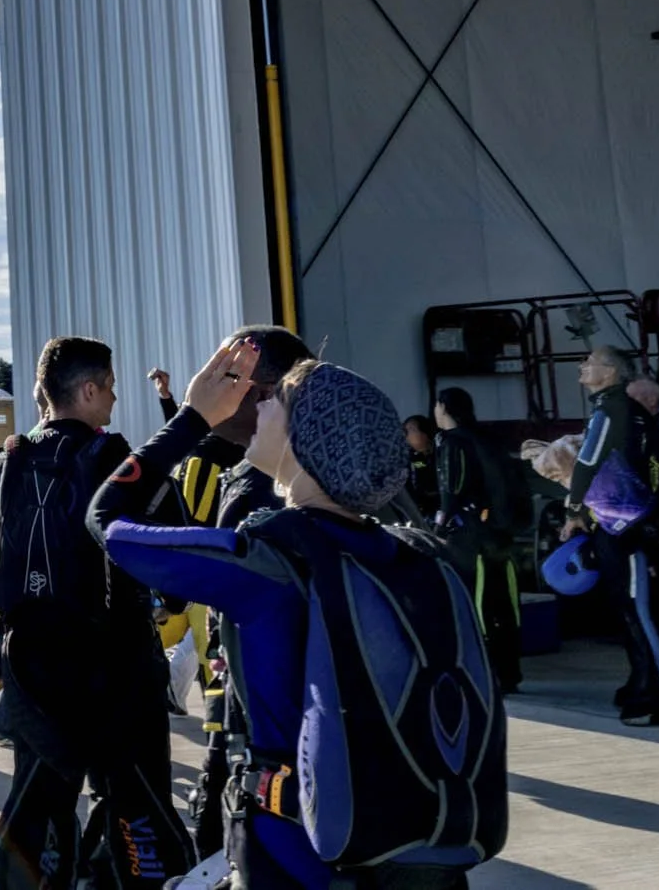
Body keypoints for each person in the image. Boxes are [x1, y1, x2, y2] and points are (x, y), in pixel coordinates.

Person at [93, 341, 507, 890]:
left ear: (303, 441)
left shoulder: (272, 560)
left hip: (296, 851)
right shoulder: (415, 557)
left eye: (275, 402)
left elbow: (108, 521)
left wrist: (192, 417)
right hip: (418, 846)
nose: (258, 406)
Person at [0, 337, 192, 890]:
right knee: (136, 803)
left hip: (35, 672)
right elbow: (178, 564)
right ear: (89, 389)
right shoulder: (123, 463)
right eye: (112, 387)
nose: (115, 399)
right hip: (119, 672)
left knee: (41, 804)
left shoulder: (8, 463)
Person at [148, 328, 311, 863]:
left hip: (271, 746)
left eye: (229, 377)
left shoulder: (270, 494)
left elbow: (107, 517)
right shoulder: (253, 472)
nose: (213, 388)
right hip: (250, 722)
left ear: (267, 395)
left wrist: (187, 417)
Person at [566, 344, 659, 726]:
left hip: (631, 525)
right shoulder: (623, 410)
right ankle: (642, 684)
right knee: (632, 609)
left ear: (609, 373)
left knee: (640, 611)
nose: (582, 366)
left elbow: (586, 463)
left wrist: (572, 511)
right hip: (628, 523)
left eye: (589, 362)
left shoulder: (612, 410)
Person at [433, 389, 525, 694]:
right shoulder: (487, 438)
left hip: (470, 538)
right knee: (503, 603)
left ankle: (483, 670)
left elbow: (451, 490)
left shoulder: (453, 442)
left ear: (443, 408)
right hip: (499, 535)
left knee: (475, 602)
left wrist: (439, 526)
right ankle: (509, 671)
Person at [402, 416, 441, 517]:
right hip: (420, 508)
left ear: (425, 433)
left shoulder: (441, 452)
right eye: (405, 431)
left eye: (411, 430)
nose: (407, 435)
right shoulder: (408, 457)